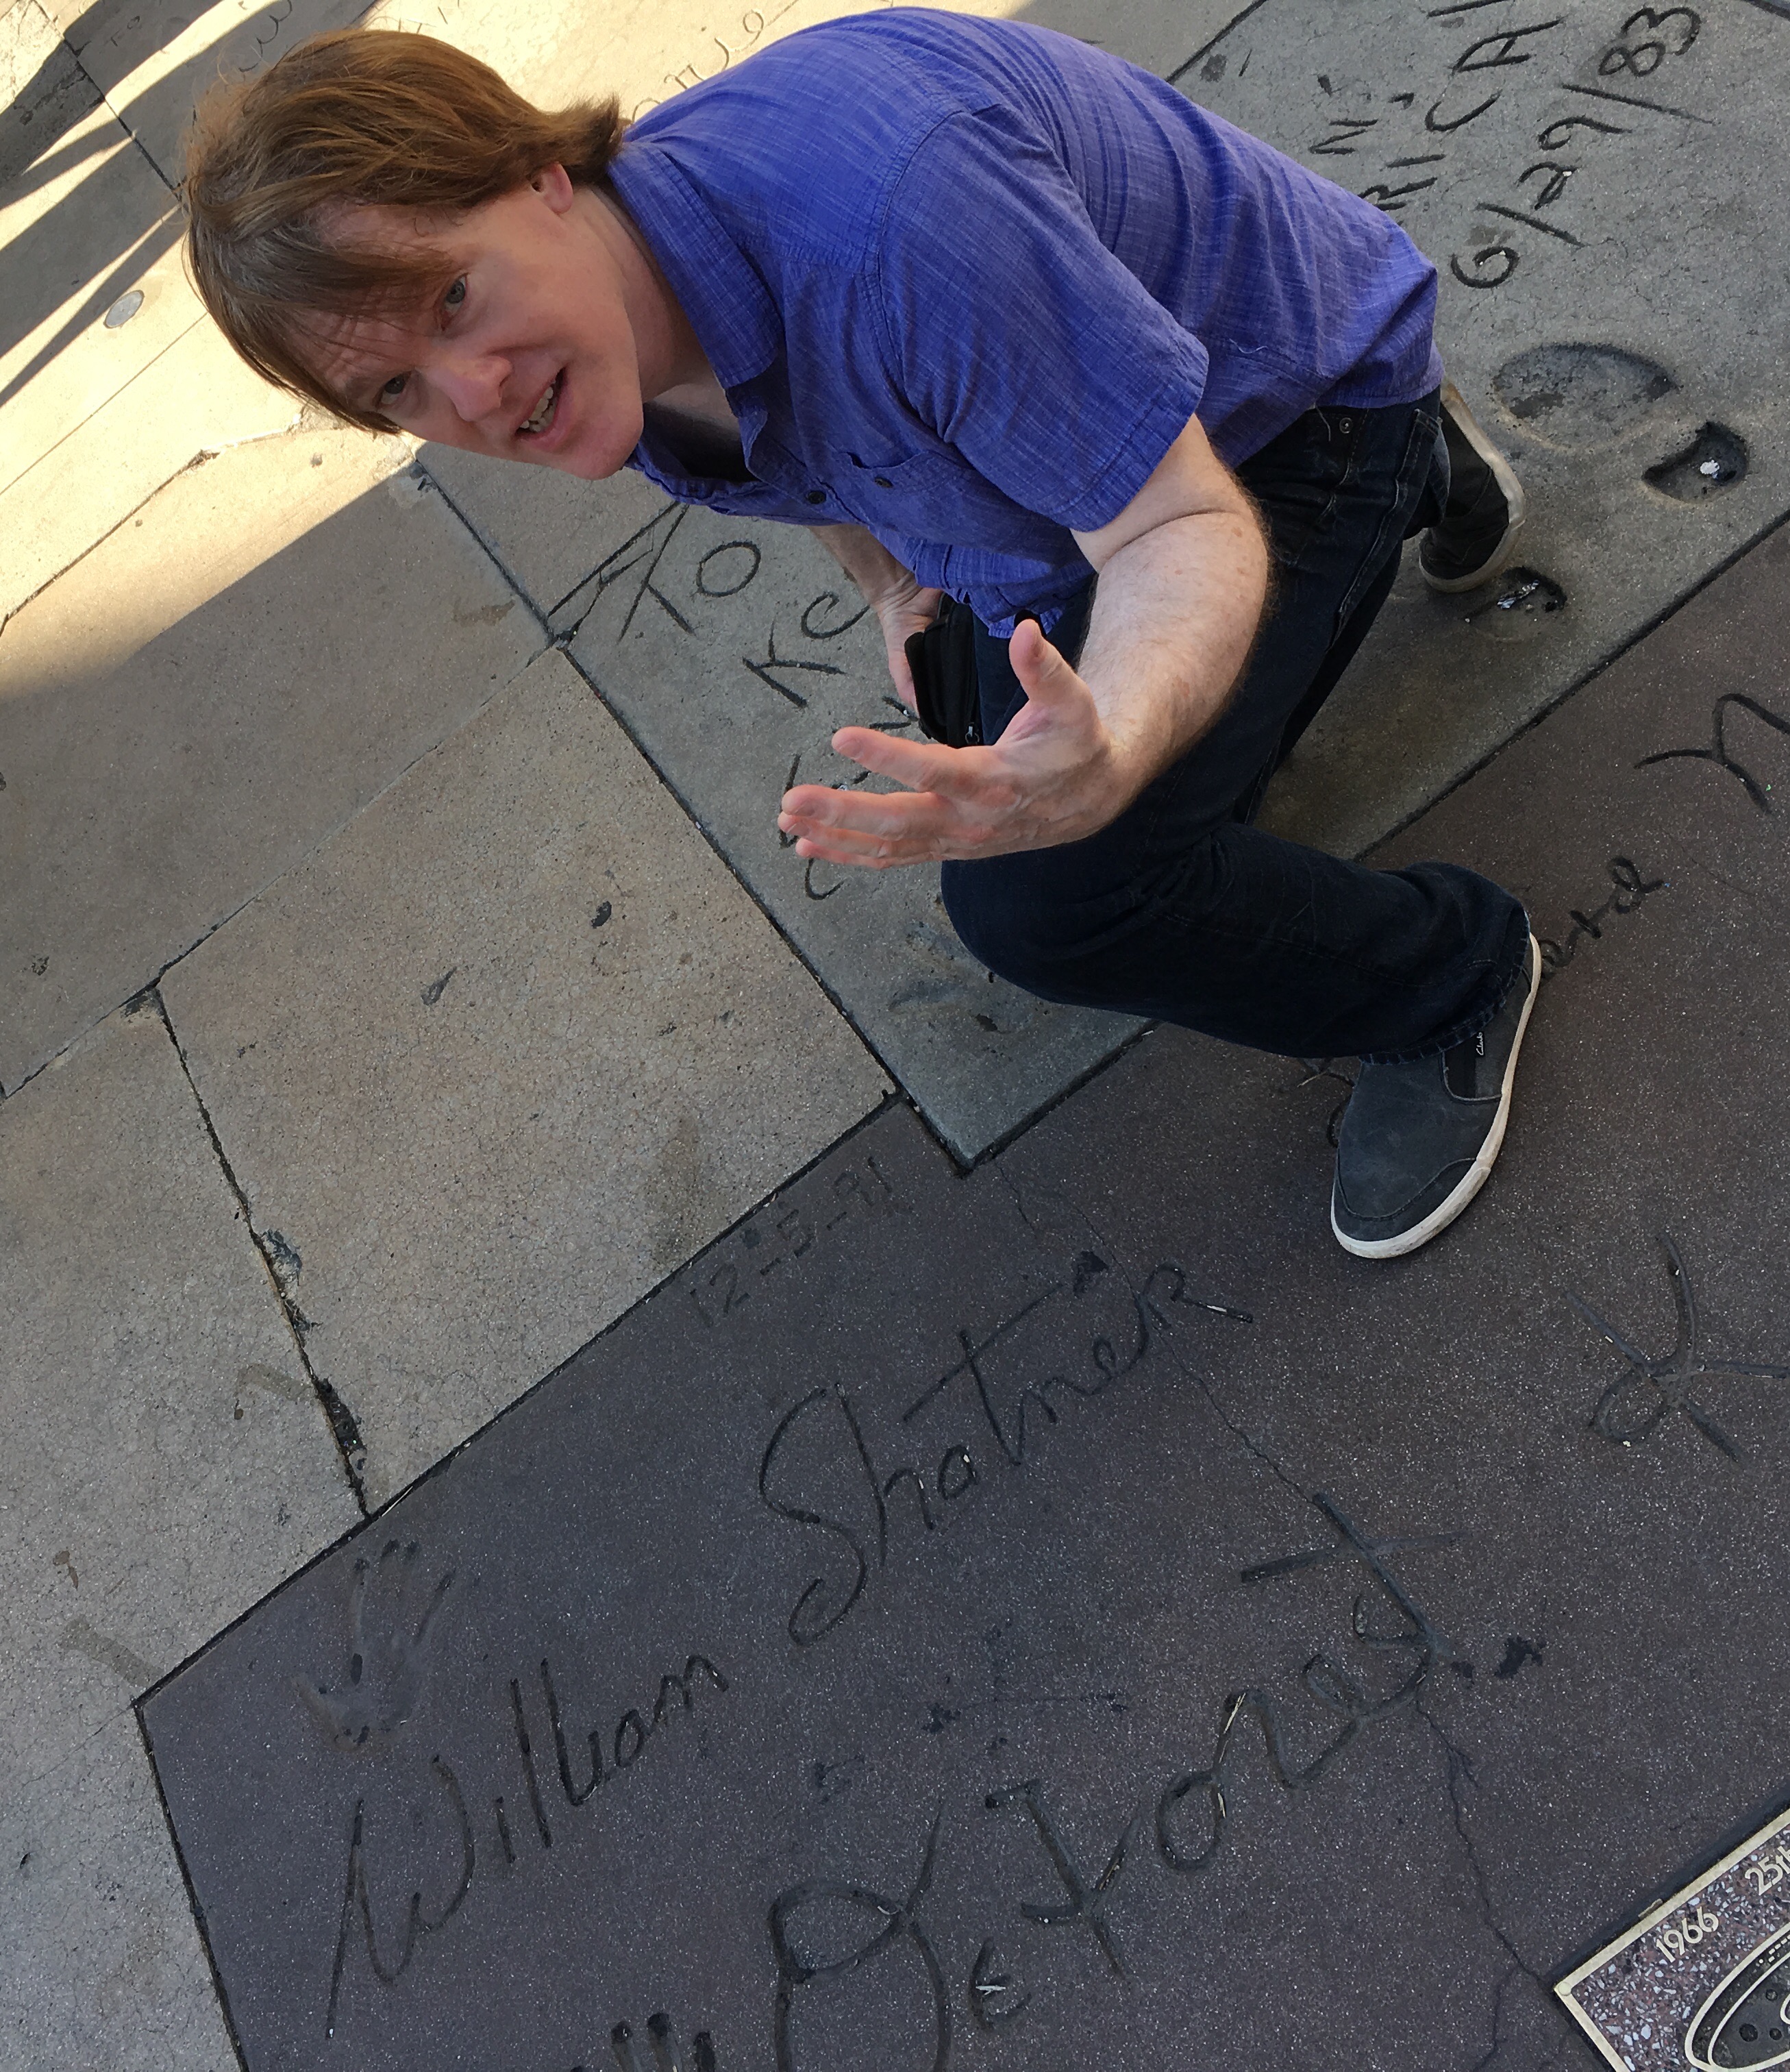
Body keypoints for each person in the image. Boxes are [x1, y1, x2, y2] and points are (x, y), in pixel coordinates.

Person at [182, 8, 1540, 1259]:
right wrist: (896, 587)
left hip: (1277, 422)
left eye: (450, 300)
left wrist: (1119, 744)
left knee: (1053, 901)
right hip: (1074, 476)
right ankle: (1414, 488)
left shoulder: (891, 226)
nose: (475, 398)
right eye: (397, 389)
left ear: (538, 174)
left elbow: (1173, 527)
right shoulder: (606, 309)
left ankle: (1452, 977)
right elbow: (797, 445)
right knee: (1003, 774)